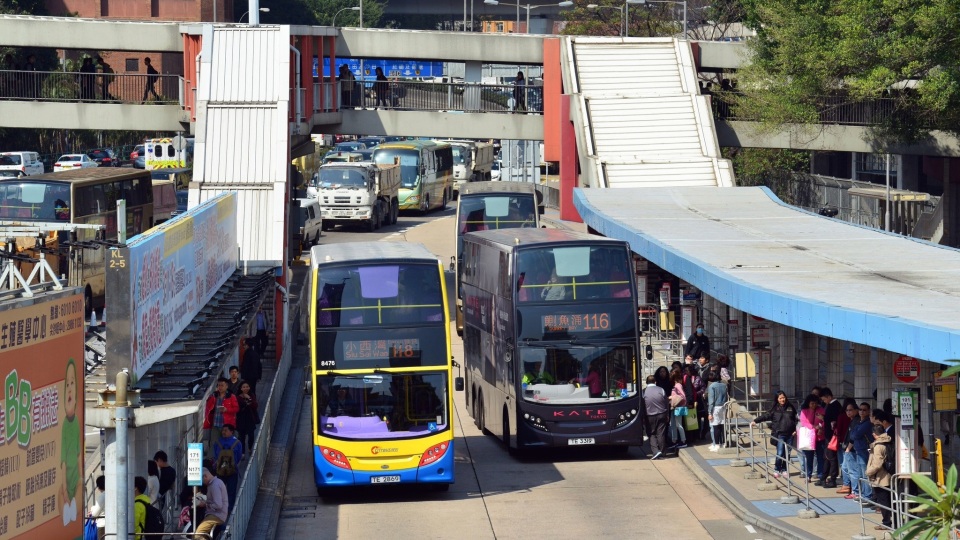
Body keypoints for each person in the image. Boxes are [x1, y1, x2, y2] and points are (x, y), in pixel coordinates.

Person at [751, 391, 797, 478]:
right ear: (777, 399)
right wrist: (755, 421)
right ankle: (777, 469)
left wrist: (795, 430)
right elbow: (765, 416)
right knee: (780, 453)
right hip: (780, 434)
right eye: (780, 398)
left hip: (790, 434)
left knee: (787, 453)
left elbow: (795, 419)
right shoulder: (775, 409)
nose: (782, 400)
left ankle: (784, 469)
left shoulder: (790, 407)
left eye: (783, 397)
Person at [61, 358, 81, 526]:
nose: (69, 388)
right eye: (67, 384)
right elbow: (63, 461)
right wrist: (65, 488)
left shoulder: (76, 423)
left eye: (72, 383)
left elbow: (79, 453)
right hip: (67, 478)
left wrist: (80, 476)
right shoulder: (64, 426)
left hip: (76, 477)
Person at [866, 424, 893, 530]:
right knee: (889, 499)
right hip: (889, 474)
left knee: (883, 501)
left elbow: (877, 463)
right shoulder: (889, 441)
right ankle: (892, 521)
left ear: (874, 434)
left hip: (880, 477)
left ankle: (886, 523)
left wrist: (868, 472)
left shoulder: (878, 446)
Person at [203, 378, 239, 454]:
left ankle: (227, 460)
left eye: (222, 385)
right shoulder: (214, 396)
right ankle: (213, 460)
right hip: (215, 424)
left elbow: (236, 408)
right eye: (219, 385)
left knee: (227, 444)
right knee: (214, 443)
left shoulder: (231, 396)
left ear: (226, 386)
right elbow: (208, 407)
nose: (220, 387)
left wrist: (226, 409)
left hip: (226, 425)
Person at [212, 424, 243, 512]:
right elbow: (239, 456)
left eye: (225, 430)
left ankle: (220, 507)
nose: (223, 432)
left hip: (219, 471)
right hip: (233, 470)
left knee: (219, 490)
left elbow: (215, 455)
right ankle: (229, 509)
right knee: (231, 491)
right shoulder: (237, 443)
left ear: (231, 431)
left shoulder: (218, 442)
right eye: (223, 430)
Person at [797, 394, 825, 483]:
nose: (814, 405)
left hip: (820, 438)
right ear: (808, 403)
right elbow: (804, 422)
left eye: (815, 403)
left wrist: (820, 427)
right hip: (808, 438)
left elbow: (825, 420)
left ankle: (820, 475)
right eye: (812, 403)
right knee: (809, 458)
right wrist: (813, 427)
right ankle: (808, 475)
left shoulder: (821, 410)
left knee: (820, 457)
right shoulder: (804, 411)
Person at [194, 468, 228, 540]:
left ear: (205, 476)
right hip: (217, 514)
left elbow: (218, 505)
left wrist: (206, 504)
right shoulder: (216, 483)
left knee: (197, 535)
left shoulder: (214, 485)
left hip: (216, 515)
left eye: (202, 480)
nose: (202, 483)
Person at [820, 387, 843, 488]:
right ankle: (824, 477)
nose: (824, 401)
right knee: (827, 457)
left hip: (832, 436)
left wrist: (823, 418)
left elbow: (832, 419)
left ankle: (832, 478)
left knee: (831, 457)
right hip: (829, 435)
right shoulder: (830, 405)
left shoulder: (835, 405)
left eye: (824, 399)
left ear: (829, 397)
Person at [643, 375, 670, 460]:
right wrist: (667, 414)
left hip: (649, 415)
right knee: (660, 433)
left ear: (647, 382)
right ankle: (662, 452)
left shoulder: (643, 391)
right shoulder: (661, 390)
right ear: (655, 382)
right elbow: (666, 403)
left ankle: (655, 451)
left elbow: (642, 405)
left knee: (651, 433)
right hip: (662, 414)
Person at [705, 370, 728, 451]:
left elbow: (711, 401)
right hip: (723, 406)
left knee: (715, 426)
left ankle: (717, 444)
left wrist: (709, 412)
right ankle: (724, 443)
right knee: (722, 426)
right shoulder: (724, 385)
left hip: (715, 408)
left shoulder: (712, 386)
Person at [236, 381, 259, 452]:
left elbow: (255, 406)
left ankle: (250, 448)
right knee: (242, 437)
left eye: (247, 387)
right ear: (241, 388)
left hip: (250, 418)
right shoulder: (238, 397)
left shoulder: (251, 395)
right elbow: (238, 408)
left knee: (251, 436)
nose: (246, 388)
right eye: (244, 387)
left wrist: (249, 398)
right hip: (241, 419)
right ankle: (242, 452)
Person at [668, 369, 687, 449]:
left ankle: (683, 441)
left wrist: (672, 397)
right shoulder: (677, 385)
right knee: (673, 424)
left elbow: (683, 396)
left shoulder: (677, 385)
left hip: (677, 407)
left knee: (678, 424)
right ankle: (675, 440)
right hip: (675, 407)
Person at [88, 475, 106, 540]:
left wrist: (92, 509)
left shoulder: (102, 496)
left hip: (102, 525)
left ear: (99, 487)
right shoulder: (112, 493)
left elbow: (95, 514)